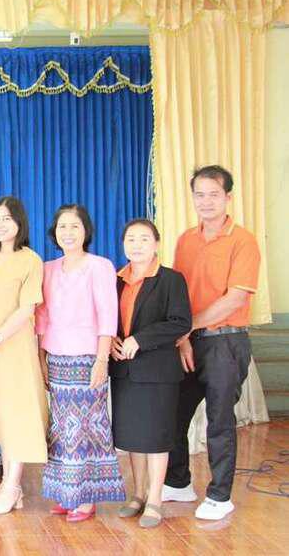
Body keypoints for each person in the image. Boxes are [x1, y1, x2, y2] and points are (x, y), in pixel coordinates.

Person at [163, 165, 261, 521]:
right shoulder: (185, 240)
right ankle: (178, 482)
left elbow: (235, 298)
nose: (206, 202)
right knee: (173, 413)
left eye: (214, 194)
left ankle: (220, 496)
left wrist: (187, 327)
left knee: (219, 419)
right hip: (189, 342)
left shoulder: (243, 240)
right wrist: (183, 338)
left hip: (226, 343)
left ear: (228, 197)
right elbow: (180, 294)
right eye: (199, 195)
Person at [35, 204, 124, 522]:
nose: (68, 232)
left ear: (86, 231)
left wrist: (102, 360)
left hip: (88, 358)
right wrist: (41, 359)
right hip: (57, 357)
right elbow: (41, 317)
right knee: (62, 429)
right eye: (62, 226)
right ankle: (66, 493)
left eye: (74, 226)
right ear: (54, 232)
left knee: (86, 428)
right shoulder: (48, 268)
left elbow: (108, 315)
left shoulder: (100, 266)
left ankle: (86, 498)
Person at [0, 197, 48, 515]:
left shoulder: (31, 260)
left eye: (6, 219)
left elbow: (27, 308)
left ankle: (12, 485)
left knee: (17, 413)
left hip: (13, 347)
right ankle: (8, 484)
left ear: (19, 222)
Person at [110, 219, 192, 529]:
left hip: (158, 372)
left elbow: (180, 322)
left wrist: (140, 340)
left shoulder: (171, 279)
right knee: (133, 437)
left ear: (156, 243)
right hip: (124, 371)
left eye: (144, 239)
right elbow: (108, 319)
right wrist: (111, 340)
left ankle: (155, 499)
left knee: (156, 436)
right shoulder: (115, 280)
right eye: (131, 239)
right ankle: (138, 494)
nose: (137, 245)